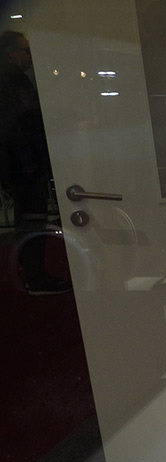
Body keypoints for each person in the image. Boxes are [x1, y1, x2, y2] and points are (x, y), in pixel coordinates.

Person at [0, 29, 68, 294]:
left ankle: (34, 274)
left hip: (21, 163)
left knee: (30, 220)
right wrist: (29, 161)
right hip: (24, 164)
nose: (30, 55)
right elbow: (18, 125)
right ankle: (36, 277)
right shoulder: (12, 81)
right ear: (11, 54)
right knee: (32, 220)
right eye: (25, 50)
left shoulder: (13, 79)